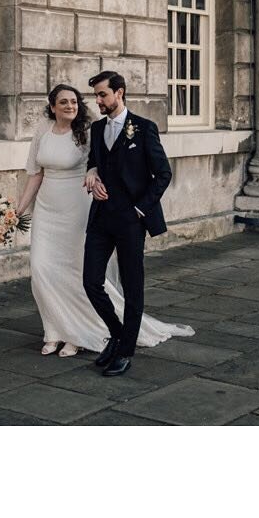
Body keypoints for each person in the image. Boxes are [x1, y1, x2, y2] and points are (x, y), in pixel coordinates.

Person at [14, 82, 193, 362]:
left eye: (74, 101)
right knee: (41, 269)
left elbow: (108, 165)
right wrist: (18, 210)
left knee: (77, 273)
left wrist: (126, 201)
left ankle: (78, 334)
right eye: (63, 102)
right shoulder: (42, 132)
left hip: (79, 207)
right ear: (52, 107)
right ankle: (54, 330)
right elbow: (35, 173)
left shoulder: (89, 130)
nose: (71, 106)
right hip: (47, 210)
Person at [83, 70, 187, 377]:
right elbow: (95, 159)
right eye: (96, 96)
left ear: (119, 93)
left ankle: (125, 350)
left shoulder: (143, 128)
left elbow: (163, 174)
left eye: (102, 94)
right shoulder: (98, 128)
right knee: (91, 282)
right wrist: (91, 172)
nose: (98, 101)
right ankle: (117, 333)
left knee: (132, 286)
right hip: (101, 218)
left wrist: (141, 209)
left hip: (131, 221)